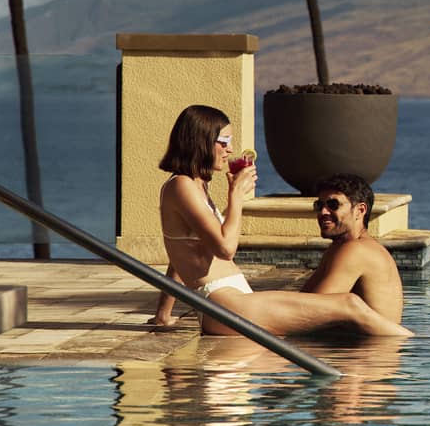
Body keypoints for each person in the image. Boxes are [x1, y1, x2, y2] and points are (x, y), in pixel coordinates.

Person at [149, 104, 411, 336]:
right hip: (223, 304)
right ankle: (415, 346)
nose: (229, 148)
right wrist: (236, 197)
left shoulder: (196, 186)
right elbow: (225, 248)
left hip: (231, 304)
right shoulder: (181, 186)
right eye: (224, 140)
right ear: (201, 141)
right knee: (350, 305)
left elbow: (181, 254)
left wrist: (164, 312)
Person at [299, 173, 404, 327]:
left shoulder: (357, 250)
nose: (323, 212)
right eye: (319, 205)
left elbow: (310, 312)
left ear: (360, 211)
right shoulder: (340, 247)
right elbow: (304, 300)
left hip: (370, 349)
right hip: (358, 345)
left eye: (333, 205)